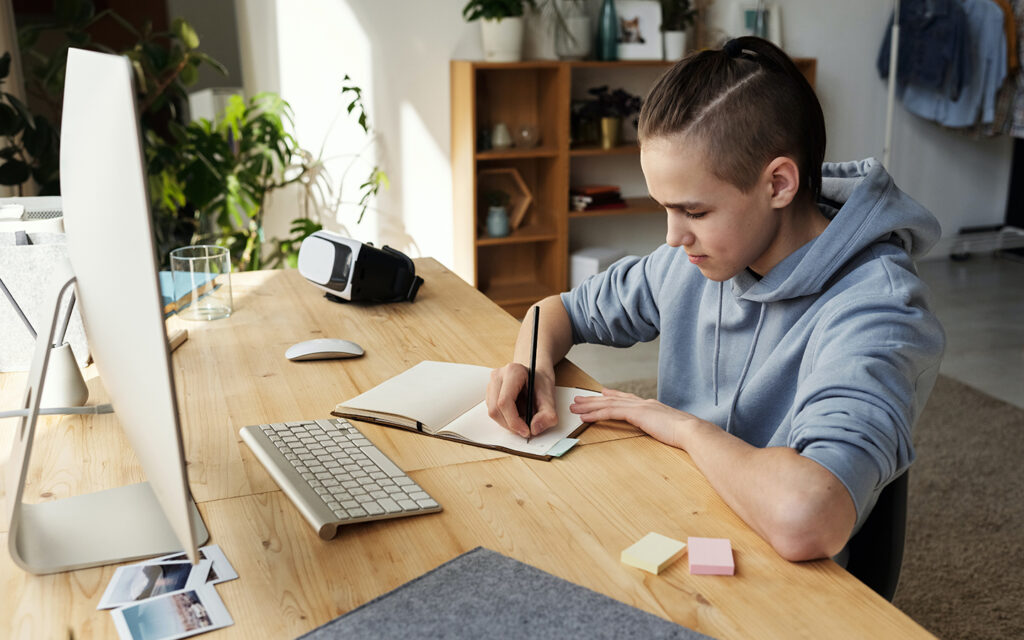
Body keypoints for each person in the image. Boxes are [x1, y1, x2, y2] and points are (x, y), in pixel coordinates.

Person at [485, 36, 945, 563]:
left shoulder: (878, 311)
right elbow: (556, 312)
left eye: (694, 212)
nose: (672, 237)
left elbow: (809, 518)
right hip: (678, 518)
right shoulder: (695, 259)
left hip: (782, 577)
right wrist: (532, 365)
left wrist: (678, 425)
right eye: (664, 207)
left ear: (778, 183)